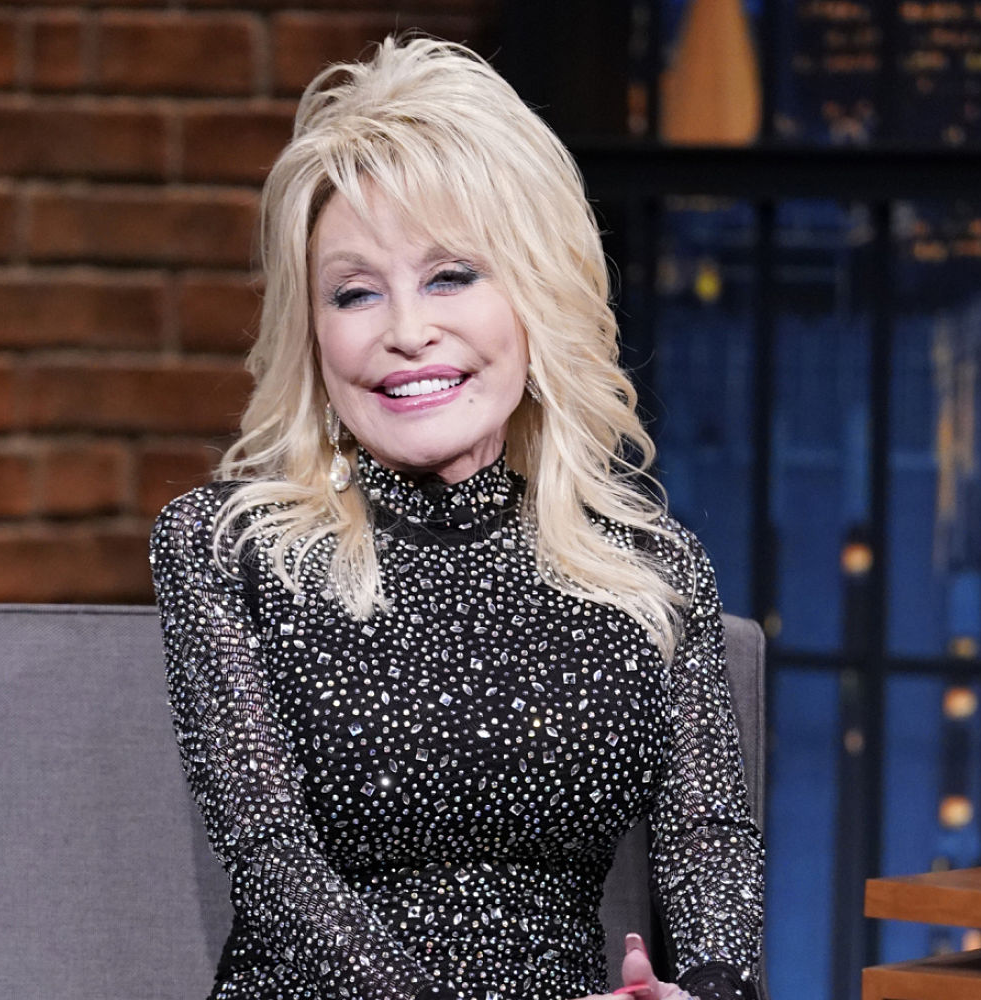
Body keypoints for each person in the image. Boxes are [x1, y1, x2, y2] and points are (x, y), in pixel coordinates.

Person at [148, 36, 764, 1000]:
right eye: (355, 292)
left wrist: (706, 994)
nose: (406, 331)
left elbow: (709, 840)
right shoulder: (228, 548)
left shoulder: (649, 566)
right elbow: (274, 869)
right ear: (312, 334)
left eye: (450, 276)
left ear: (535, 294)